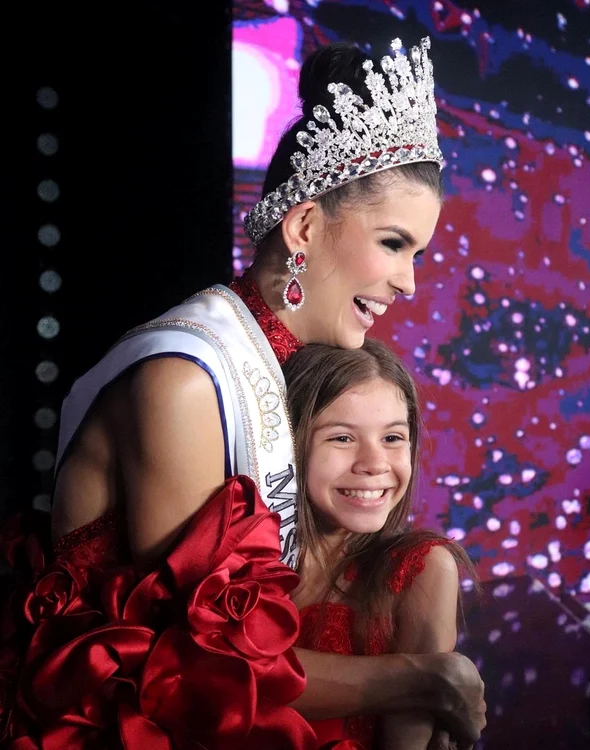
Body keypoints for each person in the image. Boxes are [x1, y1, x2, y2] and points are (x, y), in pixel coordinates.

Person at [0, 36, 485, 749]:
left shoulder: (281, 363)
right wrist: (425, 676)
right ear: (306, 225)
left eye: (417, 254)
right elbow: (197, 670)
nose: (410, 282)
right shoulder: (189, 379)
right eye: (392, 244)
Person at [284, 339, 479, 749]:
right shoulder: (243, 554)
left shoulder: (420, 570)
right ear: (289, 442)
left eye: (392, 438)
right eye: (341, 438)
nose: (374, 463)